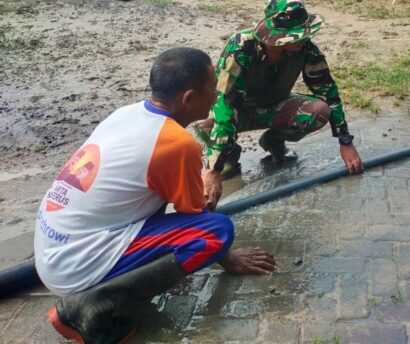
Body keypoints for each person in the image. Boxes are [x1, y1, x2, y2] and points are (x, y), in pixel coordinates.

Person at [36, 48, 276, 344]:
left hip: (51, 246)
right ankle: (86, 307)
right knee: (216, 231)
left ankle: (110, 283)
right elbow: (194, 213)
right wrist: (227, 258)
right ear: (189, 98)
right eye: (212, 87)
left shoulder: (126, 114)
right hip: (74, 265)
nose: (217, 94)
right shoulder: (177, 144)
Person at [200, 0, 363, 209]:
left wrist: (345, 142)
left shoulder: (307, 50)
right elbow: (224, 104)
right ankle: (229, 154)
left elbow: (328, 93)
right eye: (295, 37)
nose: (302, 40)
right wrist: (213, 168)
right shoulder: (241, 48)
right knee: (202, 132)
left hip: (274, 107)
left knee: (319, 111)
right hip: (237, 110)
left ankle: (274, 140)